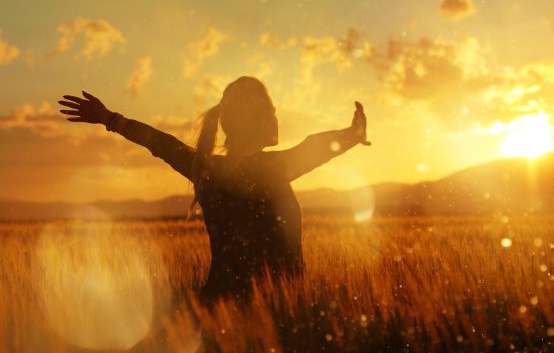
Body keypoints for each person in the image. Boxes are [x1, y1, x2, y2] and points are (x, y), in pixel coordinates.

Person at [57, 76, 370, 305]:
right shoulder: (270, 170)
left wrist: (110, 118)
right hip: (272, 317)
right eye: (270, 110)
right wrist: (352, 135)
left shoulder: (206, 170)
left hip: (218, 308)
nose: (276, 116)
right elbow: (313, 147)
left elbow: (162, 143)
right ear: (260, 119)